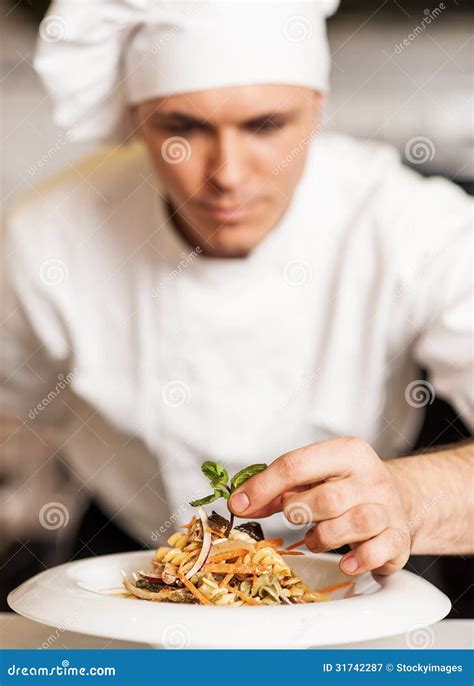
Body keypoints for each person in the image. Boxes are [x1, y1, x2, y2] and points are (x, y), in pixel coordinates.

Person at [1, 0, 472, 585]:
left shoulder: (416, 227)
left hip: (359, 556)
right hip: (131, 550)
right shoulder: (44, 237)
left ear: (316, 110)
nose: (227, 173)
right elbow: (15, 421)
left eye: (265, 125)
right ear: (136, 119)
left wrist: (406, 495)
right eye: (183, 127)